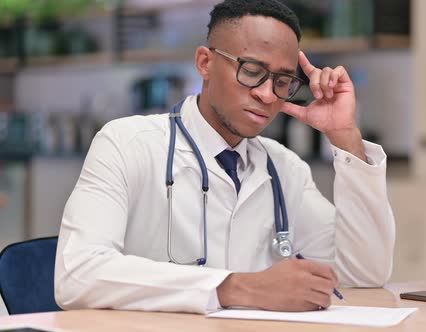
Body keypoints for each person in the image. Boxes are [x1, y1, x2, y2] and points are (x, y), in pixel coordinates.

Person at [54, 0, 395, 314]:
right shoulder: (127, 144)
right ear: (205, 62)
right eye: (250, 70)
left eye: (282, 80)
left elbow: (363, 274)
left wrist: (345, 135)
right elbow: (78, 274)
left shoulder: (284, 168)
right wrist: (235, 288)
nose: (266, 94)